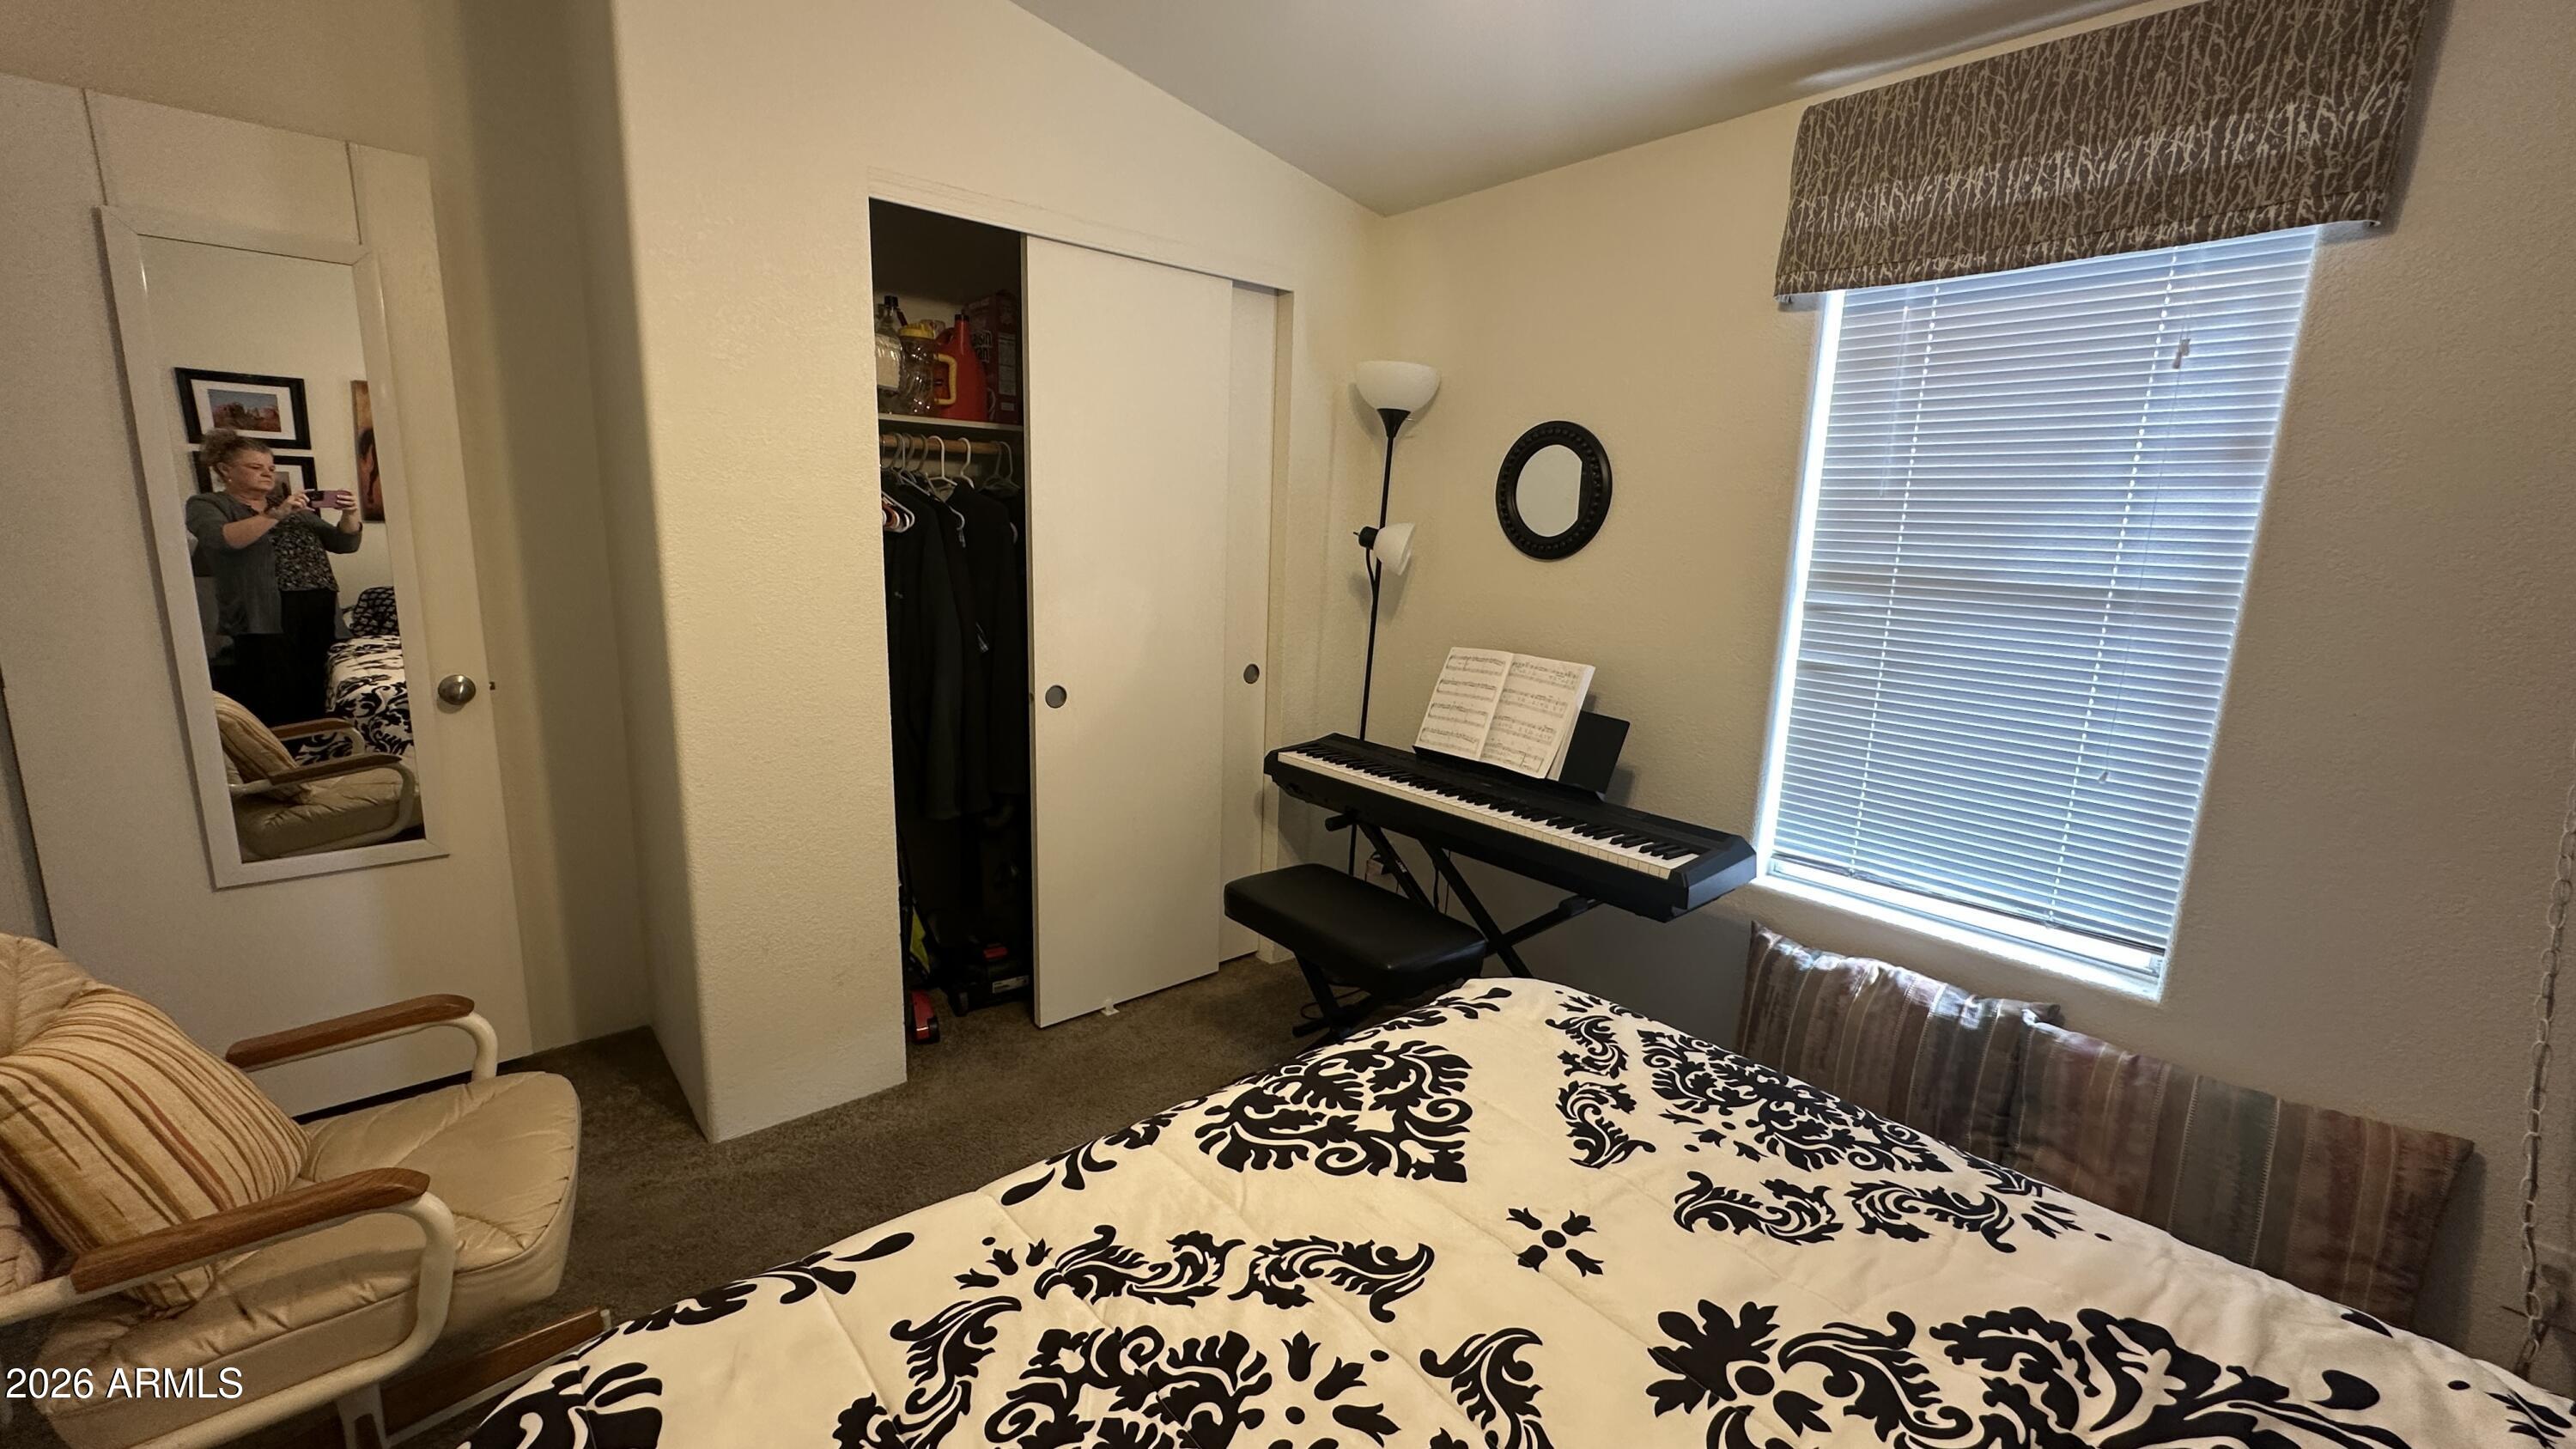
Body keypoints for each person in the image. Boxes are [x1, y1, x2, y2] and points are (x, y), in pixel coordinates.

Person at [183, 429, 361, 724]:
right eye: (256, 467)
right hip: (263, 613)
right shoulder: (208, 504)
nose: (267, 474)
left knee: (318, 685)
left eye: (271, 467)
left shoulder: (289, 506)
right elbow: (223, 539)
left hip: (318, 604)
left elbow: (344, 543)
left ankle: (321, 744)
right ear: (225, 470)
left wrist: (350, 514)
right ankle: (281, 749)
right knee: (274, 691)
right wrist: (276, 515)